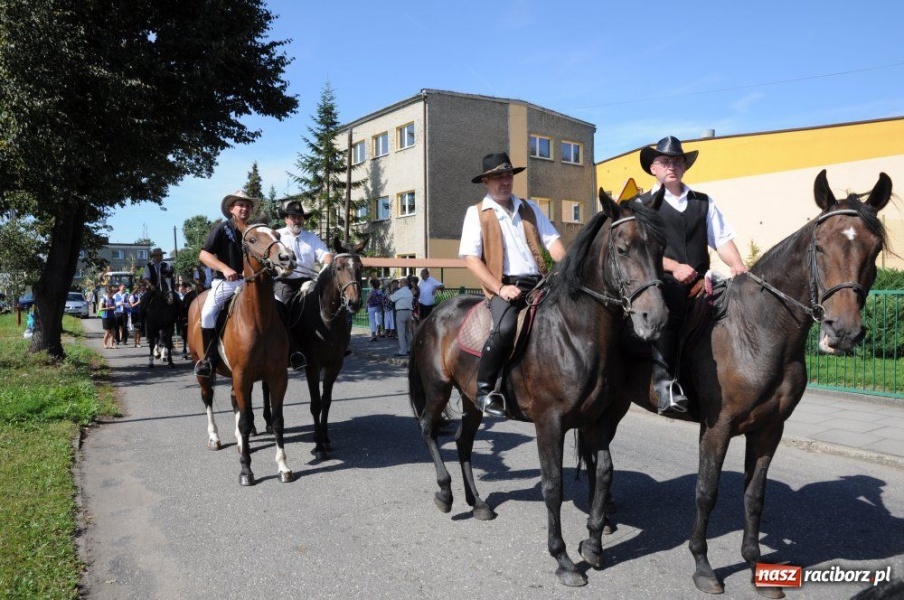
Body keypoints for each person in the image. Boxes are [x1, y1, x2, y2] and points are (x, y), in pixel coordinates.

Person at [638, 136, 749, 414]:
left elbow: (722, 240)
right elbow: (639, 251)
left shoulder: (703, 201)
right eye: (665, 161)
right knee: (669, 305)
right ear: (653, 168)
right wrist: (674, 267)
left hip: (702, 279)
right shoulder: (642, 203)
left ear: (684, 167)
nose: (671, 166)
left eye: (677, 161)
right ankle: (665, 386)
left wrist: (738, 265)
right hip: (662, 278)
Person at [459, 152, 566, 417]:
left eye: (508, 175)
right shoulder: (477, 214)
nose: (504, 181)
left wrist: (567, 270)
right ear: (486, 181)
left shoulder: (529, 207)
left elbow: (553, 243)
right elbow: (471, 260)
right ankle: (485, 391)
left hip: (540, 282)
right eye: (497, 177)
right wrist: (499, 288)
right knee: (505, 328)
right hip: (504, 286)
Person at [193, 190, 259, 377]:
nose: (244, 208)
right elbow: (203, 254)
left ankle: (286, 351)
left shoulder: (255, 230)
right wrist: (225, 269)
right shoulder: (222, 228)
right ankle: (209, 359)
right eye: (240, 205)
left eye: (248, 205)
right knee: (207, 314)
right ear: (231, 209)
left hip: (252, 282)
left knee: (278, 305)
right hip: (227, 283)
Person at [273, 199, 333, 369]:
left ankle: (333, 343)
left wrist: (327, 266)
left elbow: (325, 255)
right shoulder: (277, 236)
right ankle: (290, 350)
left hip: (307, 281)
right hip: (285, 281)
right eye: (293, 217)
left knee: (328, 303)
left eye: (300, 217)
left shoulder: (311, 237)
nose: (297, 220)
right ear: (286, 219)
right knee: (282, 306)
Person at [389, 276, 414, 356]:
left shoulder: (401, 291)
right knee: (408, 332)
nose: (399, 284)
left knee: (401, 332)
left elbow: (391, 298)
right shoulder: (409, 291)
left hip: (401, 312)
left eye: (400, 282)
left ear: (403, 283)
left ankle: (403, 350)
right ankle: (411, 348)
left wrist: (388, 292)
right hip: (409, 312)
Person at [113, 283, 128, 348]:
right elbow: (113, 305)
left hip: (124, 313)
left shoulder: (127, 295)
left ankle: (124, 340)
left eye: (124, 288)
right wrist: (119, 303)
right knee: (116, 327)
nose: (123, 289)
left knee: (124, 327)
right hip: (117, 313)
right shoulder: (115, 295)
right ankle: (117, 339)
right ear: (119, 288)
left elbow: (129, 304)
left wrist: (125, 304)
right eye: (122, 287)